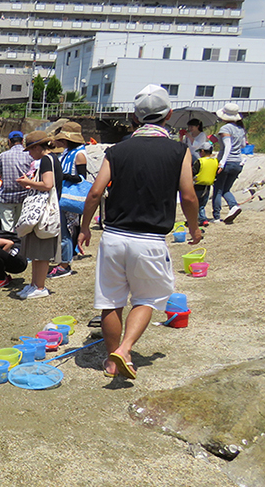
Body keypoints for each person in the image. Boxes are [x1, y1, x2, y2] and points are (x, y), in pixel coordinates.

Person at [79, 84, 201, 380]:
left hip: (114, 237)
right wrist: (194, 229)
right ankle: (125, 349)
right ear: (169, 115)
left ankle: (111, 362)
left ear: (135, 117)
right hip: (149, 240)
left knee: (110, 301)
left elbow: (95, 192)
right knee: (146, 299)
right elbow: (188, 195)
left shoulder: (117, 150)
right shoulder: (178, 150)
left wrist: (84, 228)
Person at [15, 131, 62, 300]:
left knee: (41, 252)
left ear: (37, 147)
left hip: (44, 212)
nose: (29, 154)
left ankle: (40, 286)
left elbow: (47, 184)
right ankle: (34, 284)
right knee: (35, 251)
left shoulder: (46, 161)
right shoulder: (50, 159)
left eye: (30, 150)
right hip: (44, 210)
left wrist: (27, 182)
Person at [49, 122, 88, 279]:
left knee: (67, 231)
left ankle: (65, 264)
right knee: (62, 230)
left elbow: (81, 178)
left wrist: (61, 176)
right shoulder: (68, 152)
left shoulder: (79, 154)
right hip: (62, 194)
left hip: (70, 196)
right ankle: (63, 261)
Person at [0, 131, 32, 233]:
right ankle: (19, 247)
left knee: (7, 228)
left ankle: (9, 247)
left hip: (6, 197)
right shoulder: (29, 155)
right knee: (20, 227)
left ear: (9, 141)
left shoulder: (3, 155)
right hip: (24, 196)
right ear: (22, 141)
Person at [212, 103, 247, 224]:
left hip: (227, 162)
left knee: (218, 189)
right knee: (226, 189)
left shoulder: (225, 129)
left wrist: (221, 163)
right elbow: (242, 145)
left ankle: (216, 216)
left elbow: (228, 147)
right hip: (238, 162)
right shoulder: (240, 128)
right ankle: (233, 206)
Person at [193, 141, 217, 226]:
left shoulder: (200, 161)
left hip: (197, 185)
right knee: (202, 204)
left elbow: (193, 172)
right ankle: (203, 219)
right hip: (208, 186)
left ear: (202, 151)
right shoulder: (215, 161)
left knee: (195, 204)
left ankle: (199, 220)